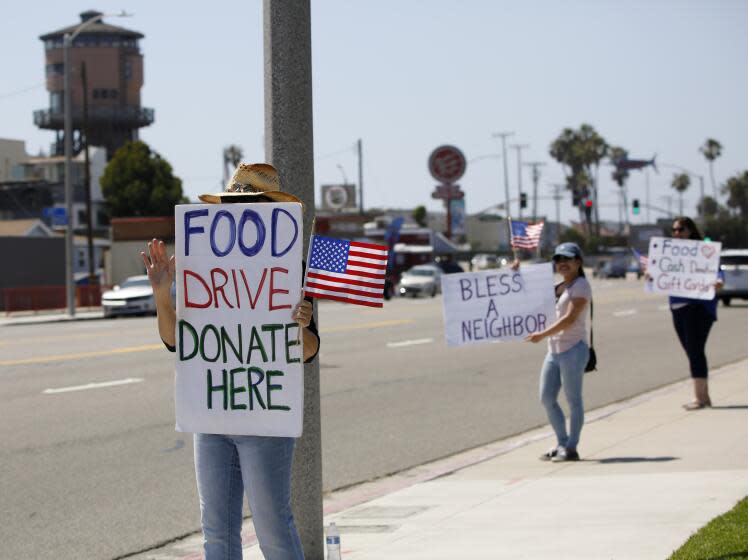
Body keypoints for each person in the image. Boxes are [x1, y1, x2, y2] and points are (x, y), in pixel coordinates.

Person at [141, 163, 319, 560]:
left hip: (265, 421)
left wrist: (301, 325)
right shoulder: (200, 265)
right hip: (211, 418)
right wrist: (161, 293)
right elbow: (176, 342)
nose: (240, 214)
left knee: (272, 528)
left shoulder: (289, 268)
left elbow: (308, 351)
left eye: (250, 204)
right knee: (217, 534)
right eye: (233, 204)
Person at [516, 242, 592, 462]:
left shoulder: (581, 286)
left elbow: (569, 319)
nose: (562, 263)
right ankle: (561, 441)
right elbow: (526, 296)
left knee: (573, 400)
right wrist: (517, 272)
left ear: (578, 262)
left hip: (573, 350)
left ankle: (571, 447)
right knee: (547, 398)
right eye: (558, 259)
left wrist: (541, 334)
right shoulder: (558, 287)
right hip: (555, 350)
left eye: (567, 259)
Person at [664, 216, 723, 410]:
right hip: (677, 308)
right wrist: (652, 274)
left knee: (695, 350)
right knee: (691, 351)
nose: (677, 234)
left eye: (680, 230)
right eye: (674, 230)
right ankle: (704, 396)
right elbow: (661, 272)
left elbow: (717, 273)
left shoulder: (703, 251)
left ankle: (700, 397)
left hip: (698, 307)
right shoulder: (669, 253)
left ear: (690, 231)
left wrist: (718, 282)